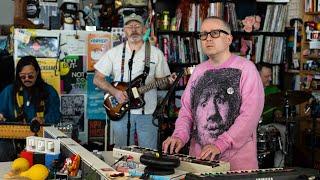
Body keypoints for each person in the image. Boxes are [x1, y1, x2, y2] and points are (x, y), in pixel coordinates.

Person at [162, 16, 264, 171]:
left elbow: (249, 116)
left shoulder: (247, 69)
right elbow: (187, 112)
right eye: (203, 35)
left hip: (237, 166)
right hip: (200, 163)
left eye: (215, 33)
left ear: (229, 39)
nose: (208, 38)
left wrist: (221, 144)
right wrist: (179, 136)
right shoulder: (198, 71)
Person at [93, 13, 176, 149]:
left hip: (147, 112)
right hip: (120, 111)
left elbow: (164, 82)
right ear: (124, 30)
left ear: (144, 29)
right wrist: (115, 92)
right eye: (130, 26)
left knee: (148, 153)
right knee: (123, 154)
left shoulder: (155, 53)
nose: (134, 29)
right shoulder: (113, 53)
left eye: (137, 26)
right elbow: (97, 79)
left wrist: (168, 81)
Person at [0, 56, 61, 161]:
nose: (27, 79)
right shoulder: (8, 92)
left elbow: (56, 116)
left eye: (30, 76)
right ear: (18, 76)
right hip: (12, 142)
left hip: (41, 142)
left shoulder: (49, 92)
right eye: (23, 76)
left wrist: (43, 120)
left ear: (37, 72)